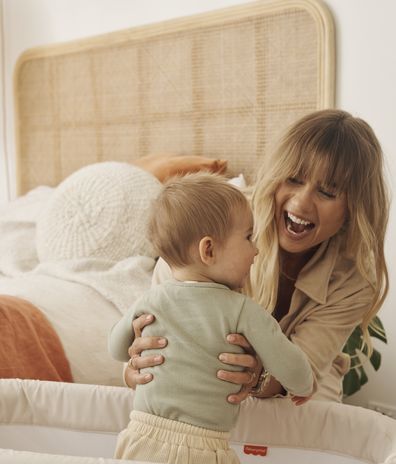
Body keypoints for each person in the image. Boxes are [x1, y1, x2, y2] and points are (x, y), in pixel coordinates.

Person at [124, 109, 389, 405]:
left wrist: (257, 378)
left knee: (310, 420)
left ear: (353, 208)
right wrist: (136, 362)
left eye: (326, 192)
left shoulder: (354, 280)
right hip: (212, 366)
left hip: (307, 383)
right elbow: (167, 299)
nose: (301, 203)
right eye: (293, 179)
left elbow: (305, 376)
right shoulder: (221, 221)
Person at [109, 173, 313, 464]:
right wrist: (305, 385)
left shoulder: (151, 299)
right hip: (204, 450)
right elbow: (293, 368)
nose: (256, 250)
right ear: (209, 250)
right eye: (247, 237)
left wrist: (131, 351)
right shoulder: (241, 310)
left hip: (139, 437)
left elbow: (115, 348)